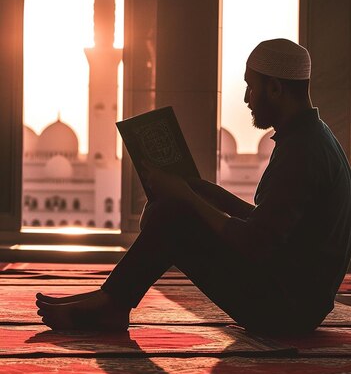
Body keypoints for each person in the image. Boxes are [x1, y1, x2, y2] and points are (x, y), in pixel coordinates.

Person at [36, 38, 351, 335]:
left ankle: (112, 304)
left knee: (173, 215)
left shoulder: (302, 151)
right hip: (295, 298)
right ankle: (112, 298)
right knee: (176, 206)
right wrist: (205, 191)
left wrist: (185, 196)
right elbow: (272, 226)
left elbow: (256, 241)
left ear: (275, 88)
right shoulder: (313, 138)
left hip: (284, 310)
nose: (245, 99)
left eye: (250, 88)